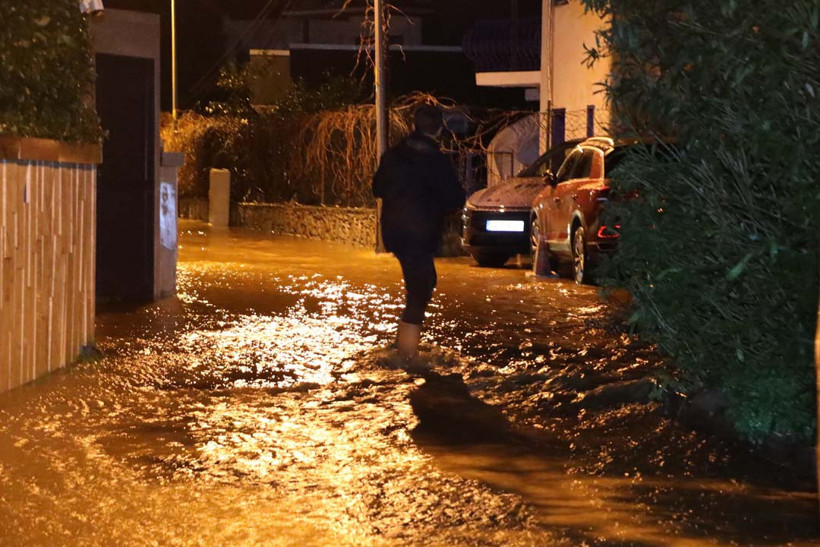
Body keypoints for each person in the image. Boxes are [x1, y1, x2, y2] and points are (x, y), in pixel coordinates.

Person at [372, 104, 466, 365]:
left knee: (422, 285)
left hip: (394, 233)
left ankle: (402, 345)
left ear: (413, 127)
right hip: (421, 235)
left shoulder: (392, 155)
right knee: (419, 293)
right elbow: (455, 198)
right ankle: (407, 357)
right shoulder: (436, 161)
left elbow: (377, 188)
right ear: (438, 130)